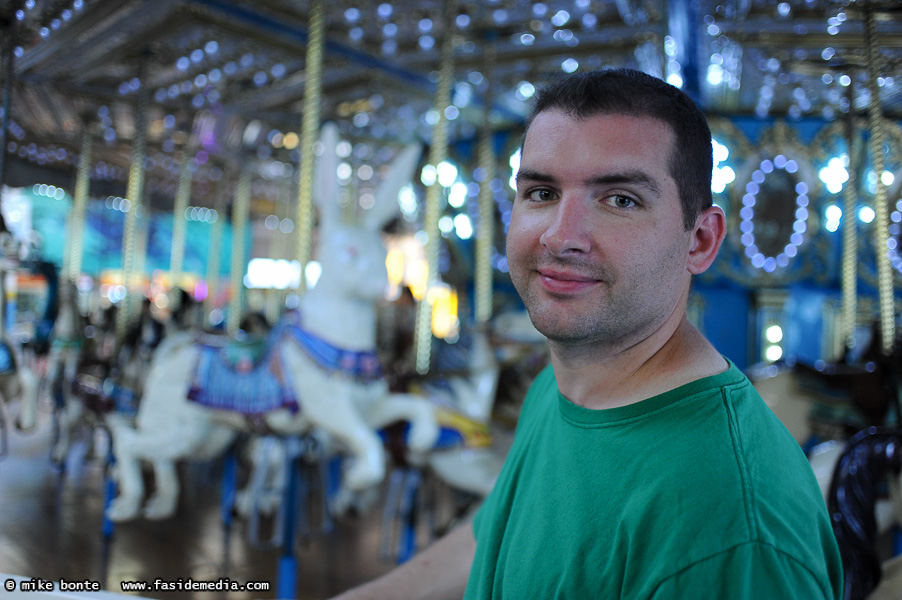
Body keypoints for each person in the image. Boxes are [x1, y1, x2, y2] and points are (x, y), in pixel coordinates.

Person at [331, 68, 842, 599]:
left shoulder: (731, 524)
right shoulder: (557, 387)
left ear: (701, 239)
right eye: (542, 192)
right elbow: (493, 538)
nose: (561, 235)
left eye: (620, 199)